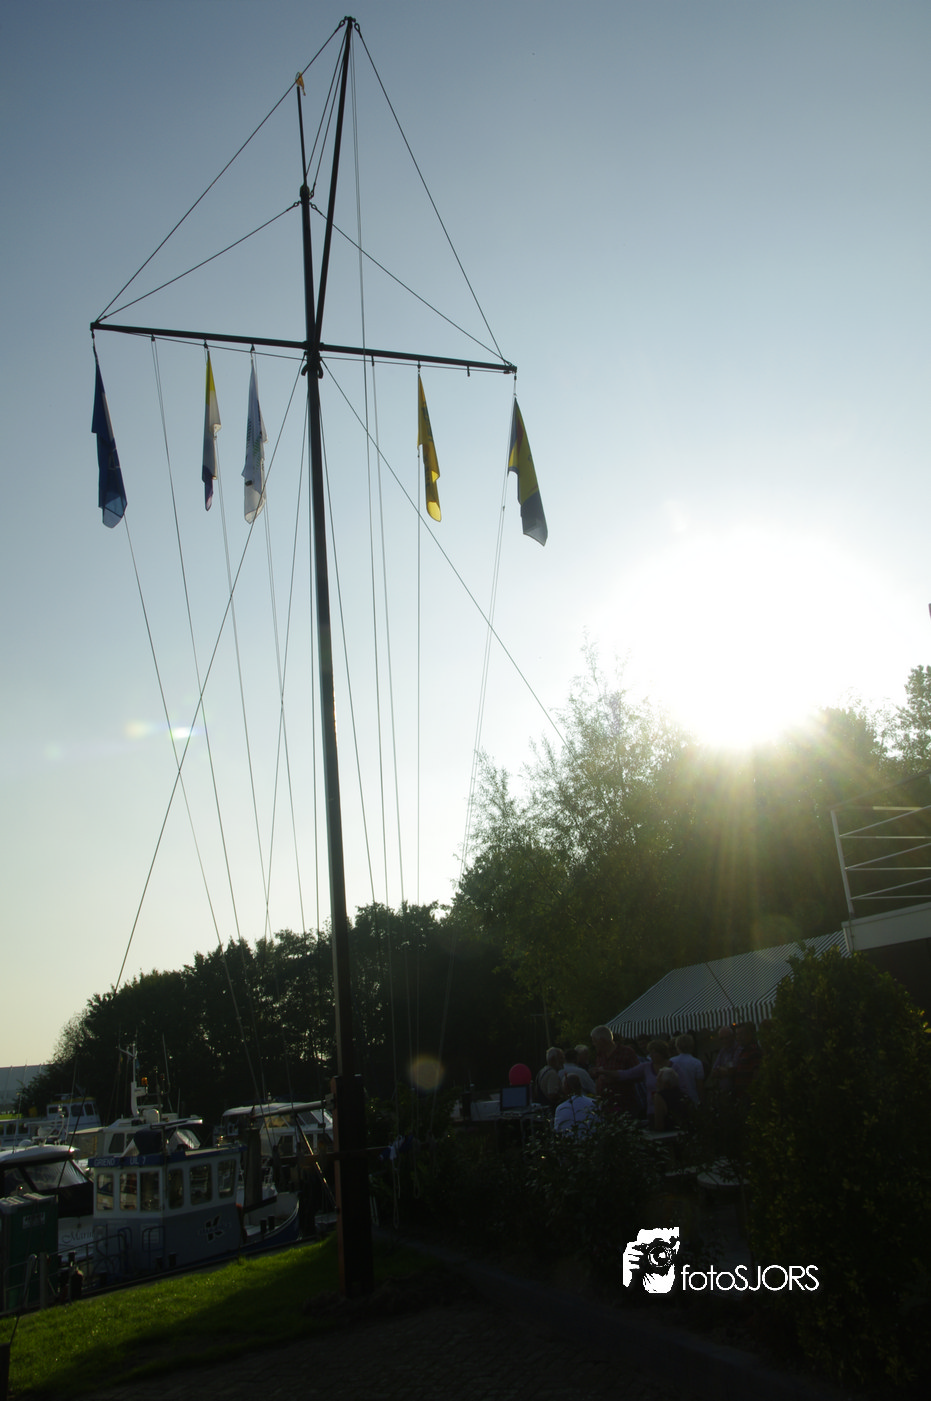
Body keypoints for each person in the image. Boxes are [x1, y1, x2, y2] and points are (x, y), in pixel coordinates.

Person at [590, 1025, 640, 1115]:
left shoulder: (626, 1052)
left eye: (595, 1041)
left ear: (602, 1040)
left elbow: (638, 1075)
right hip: (605, 1103)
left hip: (624, 1102)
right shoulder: (600, 1055)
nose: (593, 1044)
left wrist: (616, 1077)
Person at [670, 1033, 704, 1108]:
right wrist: (701, 1101)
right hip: (693, 1099)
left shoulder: (671, 1062)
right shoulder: (697, 1063)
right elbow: (699, 1085)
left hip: (676, 1100)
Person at [732, 1022, 763, 1098]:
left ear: (749, 1035)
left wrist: (753, 1092)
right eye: (737, 1034)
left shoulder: (753, 1050)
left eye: (741, 1034)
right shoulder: (744, 1051)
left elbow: (757, 1073)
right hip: (742, 1095)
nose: (739, 1037)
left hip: (749, 1095)